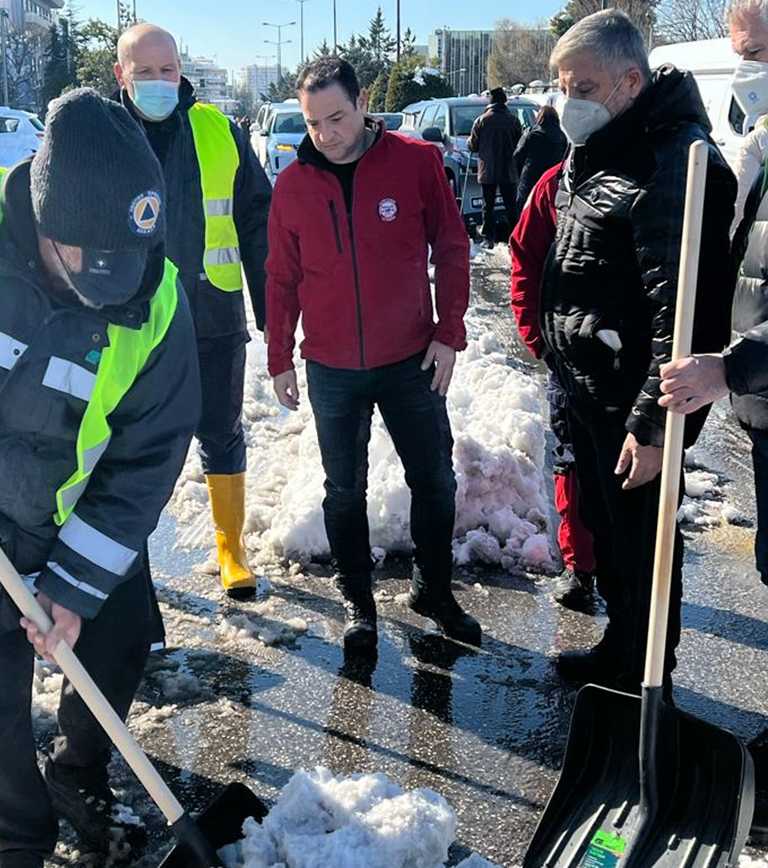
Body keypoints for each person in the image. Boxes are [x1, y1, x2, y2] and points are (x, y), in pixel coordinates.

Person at [0, 89, 200, 867]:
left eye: (126, 261)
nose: (114, 286)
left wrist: (70, 587)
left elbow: (147, 456)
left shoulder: (157, 301)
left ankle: (80, 769)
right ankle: (21, 847)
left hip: (70, 511)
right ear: (42, 221)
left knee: (120, 634)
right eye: (88, 263)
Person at [542, 10, 736, 695]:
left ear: (630, 80)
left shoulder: (674, 160)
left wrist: (655, 428)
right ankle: (623, 646)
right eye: (563, 85)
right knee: (607, 530)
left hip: (636, 400)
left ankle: (649, 678)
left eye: (583, 86)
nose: (570, 102)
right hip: (591, 385)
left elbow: (684, 313)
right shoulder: (600, 147)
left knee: (642, 543)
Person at [266, 57, 483, 652]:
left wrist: (449, 331)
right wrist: (279, 356)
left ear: (363, 103)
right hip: (332, 367)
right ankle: (358, 601)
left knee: (434, 481)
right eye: (313, 124)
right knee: (343, 489)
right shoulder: (292, 184)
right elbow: (281, 277)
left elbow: (453, 245)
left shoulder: (416, 164)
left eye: (336, 117)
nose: (326, 134)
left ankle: (433, 589)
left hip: (410, 358)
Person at [114, 23, 271, 599]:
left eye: (168, 70)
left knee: (221, 431)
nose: (159, 82)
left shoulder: (217, 130)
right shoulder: (103, 135)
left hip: (212, 313)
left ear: (182, 72)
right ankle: (127, 567)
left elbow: (257, 223)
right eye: (146, 72)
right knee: (128, 446)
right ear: (121, 75)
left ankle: (231, 548)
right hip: (128, 324)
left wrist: (269, 312)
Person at [660, 0, 768, 840]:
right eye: (742, 57)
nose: (748, 74)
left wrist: (730, 367)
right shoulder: (758, 146)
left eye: (760, 53)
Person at [510, 164, 597, 610]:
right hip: (569, 361)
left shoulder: (661, 167)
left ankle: (637, 584)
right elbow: (524, 255)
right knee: (573, 462)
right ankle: (580, 569)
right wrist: (539, 340)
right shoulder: (557, 183)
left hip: (639, 362)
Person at [467, 86, 522, 248]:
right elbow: (520, 143)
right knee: (511, 205)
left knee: (488, 205)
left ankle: (488, 238)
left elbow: (473, 145)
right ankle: (516, 238)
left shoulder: (482, 120)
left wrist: (471, 144)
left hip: (487, 169)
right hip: (508, 169)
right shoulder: (513, 120)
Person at [513, 105, 567, 211]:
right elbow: (565, 158)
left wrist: (519, 172)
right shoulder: (561, 136)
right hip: (552, 177)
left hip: (530, 176)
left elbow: (518, 154)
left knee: (526, 207)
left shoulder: (531, 133)